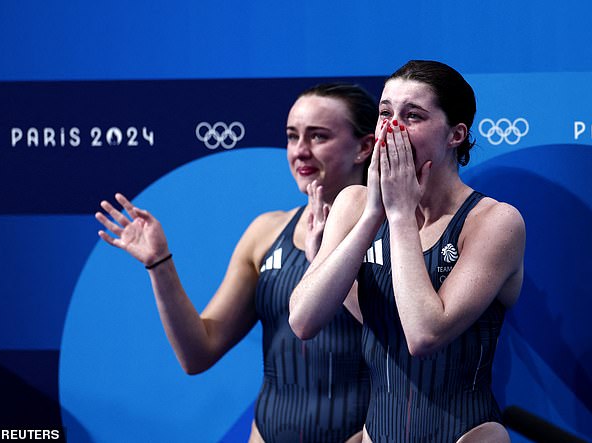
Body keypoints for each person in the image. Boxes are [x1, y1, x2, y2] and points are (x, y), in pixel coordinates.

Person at [95, 83, 377, 443]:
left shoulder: (391, 234)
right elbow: (199, 351)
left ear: (364, 147)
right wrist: (159, 264)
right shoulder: (265, 232)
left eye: (318, 137)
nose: (300, 152)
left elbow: (417, 349)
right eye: (292, 137)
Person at [289, 61, 526, 443]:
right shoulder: (354, 203)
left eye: (412, 115)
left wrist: (398, 215)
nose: (391, 128)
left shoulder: (494, 222)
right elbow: (302, 321)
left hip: (466, 435)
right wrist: (372, 216)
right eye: (385, 113)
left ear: (456, 134)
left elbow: (425, 335)